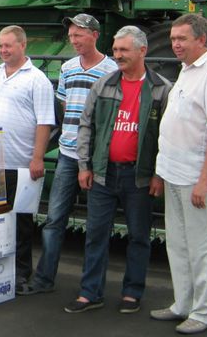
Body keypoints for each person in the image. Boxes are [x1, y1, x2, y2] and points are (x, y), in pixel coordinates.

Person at [65, 25, 171, 314]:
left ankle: (132, 293)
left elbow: (167, 136)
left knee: (138, 236)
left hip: (139, 176)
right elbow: (86, 125)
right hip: (103, 173)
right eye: (115, 50)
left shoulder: (161, 89)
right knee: (96, 234)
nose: (118, 55)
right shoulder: (105, 84)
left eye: (124, 50)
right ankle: (90, 293)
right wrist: (84, 165)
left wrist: (158, 174)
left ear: (142, 51)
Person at [19, 14, 117, 295]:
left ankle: (91, 288)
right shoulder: (68, 68)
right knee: (53, 220)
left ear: (95, 35)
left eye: (79, 35)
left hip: (97, 157)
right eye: (71, 36)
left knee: (97, 226)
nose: (73, 40)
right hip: (67, 153)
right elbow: (61, 106)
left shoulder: (111, 70)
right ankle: (44, 279)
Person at [150, 13, 207, 335]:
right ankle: (182, 304)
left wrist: (203, 181)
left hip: (195, 178)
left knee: (201, 247)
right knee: (178, 244)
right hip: (173, 173)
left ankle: (203, 312)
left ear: (202, 39)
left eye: (182, 39)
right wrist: (161, 172)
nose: (175, 45)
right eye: (173, 39)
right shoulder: (186, 71)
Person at [0, 25, 55, 294]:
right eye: (0, 46)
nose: (3, 50)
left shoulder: (37, 79)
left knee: (21, 222)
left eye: (8, 45)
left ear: (23, 46)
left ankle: (21, 274)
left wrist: (37, 158)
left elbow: (45, 121)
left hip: (21, 164)